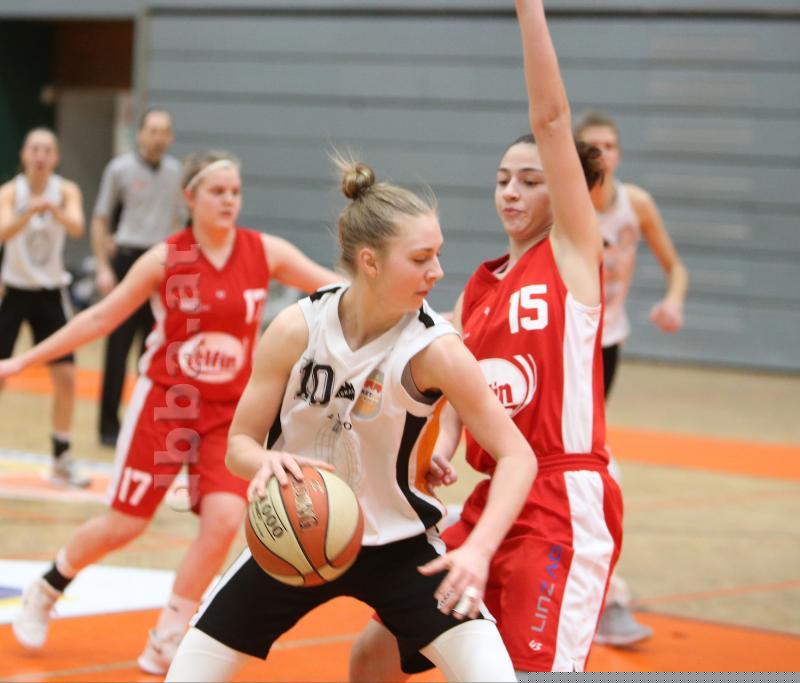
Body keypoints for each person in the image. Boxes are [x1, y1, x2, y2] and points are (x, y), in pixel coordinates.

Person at [163, 157, 538, 683]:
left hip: (401, 545)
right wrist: (264, 462)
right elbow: (240, 445)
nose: (437, 271)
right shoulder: (297, 329)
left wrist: (478, 549)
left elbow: (518, 455)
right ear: (370, 261)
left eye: (438, 254)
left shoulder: (436, 350)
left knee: (493, 676)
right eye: (421, 258)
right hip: (295, 531)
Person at [348, 0, 622, 678]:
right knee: (374, 649)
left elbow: (551, 120)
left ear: (563, 191)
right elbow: (460, 385)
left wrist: (528, 9)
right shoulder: (478, 285)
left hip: (562, 498)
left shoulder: (571, 253)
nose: (511, 191)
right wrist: (443, 444)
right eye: (502, 180)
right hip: (493, 495)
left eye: (530, 180)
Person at [6, 151, 340, 675]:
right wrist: (22, 361)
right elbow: (99, 318)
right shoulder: (165, 259)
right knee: (125, 524)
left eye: (235, 192)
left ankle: (168, 635)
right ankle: (47, 587)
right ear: (190, 198)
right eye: (217, 192)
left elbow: (333, 290)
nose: (229, 200)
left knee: (224, 519)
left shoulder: (264, 250)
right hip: (167, 405)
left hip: (228, 413)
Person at [575, 110, 688, 646]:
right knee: (588, 460)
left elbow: (676, 266)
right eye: (592, 145)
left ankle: (601, 592)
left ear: (619, 153)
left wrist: (673, 301)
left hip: (609, 344)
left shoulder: (634, 203)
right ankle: (604, 594)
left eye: (610, 145)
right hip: (570, 343)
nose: (603, 153)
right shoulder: (567, 202)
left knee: (588, 456)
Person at [0, 128, 89, 488]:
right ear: (24, 154)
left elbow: (78, 227)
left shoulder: (65, 191)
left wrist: (53, 209)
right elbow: (3, 231)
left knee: (66, 376)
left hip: (51, 293)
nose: (40, 155)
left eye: (47, 150)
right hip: (14, 291)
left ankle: (61, 458)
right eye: (34, 149)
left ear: (55, 158)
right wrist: (28, 212)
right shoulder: (10, 192)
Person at [92, 108, 185, 446]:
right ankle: (108, 427)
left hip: (163, 264)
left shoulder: (177, 173)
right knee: (117, 347)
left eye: (164, 131)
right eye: (153, 130)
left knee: (157, 348)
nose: (158, 137)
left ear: (170, 137)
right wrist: (103, 266)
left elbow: (181, 220)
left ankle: (148, 422)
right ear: (141, 134)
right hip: (127, 260)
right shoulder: (119, 169)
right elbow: (101, 218)